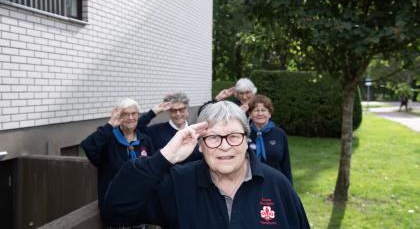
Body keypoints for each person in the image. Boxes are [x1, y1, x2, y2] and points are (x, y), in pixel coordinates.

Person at [103, 101, 309, 228]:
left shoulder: (277, 186)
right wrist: (164, 157)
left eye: (234, 136)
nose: (224, 146)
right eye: (213, 138)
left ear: (247, 140)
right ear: (200, 145)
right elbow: (115, 210)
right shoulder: (179, 183)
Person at [80, 98, 154, 228]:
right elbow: (88, 146)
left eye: (134, 113)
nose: (131, 117)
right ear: (119, 116)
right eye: (126, 114)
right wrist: (109, 125)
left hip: (140, 208)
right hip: (116, 211)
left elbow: (153, 170)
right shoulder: (109, 139)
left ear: (138, 115)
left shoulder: (145, 140)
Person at [141, 92, 202, 162]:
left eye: (181, 109)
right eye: (173, 110)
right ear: (168, 112)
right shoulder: (156, 131)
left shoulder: (197, 132)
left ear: (187, 110)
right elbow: (135, 129)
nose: (178, 114)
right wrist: (154, 111)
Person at [248, 94, 293, 184]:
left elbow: (286, 165)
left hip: (275, 182)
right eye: (256, 110)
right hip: (250, 182)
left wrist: (289, 188)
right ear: (250, 114)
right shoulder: (245, 134)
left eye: (263, 110)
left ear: (269, 113)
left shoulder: (279, 134)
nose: (260, 113)